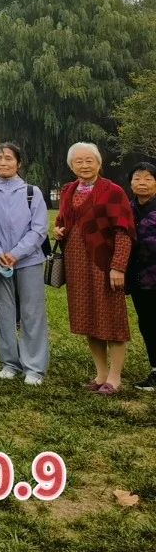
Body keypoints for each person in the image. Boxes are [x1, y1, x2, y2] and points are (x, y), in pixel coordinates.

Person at [54, 142, 134, 395]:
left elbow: (123, 232)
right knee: (88, 318)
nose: (84, 165)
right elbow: (62, 220)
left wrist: (118, 267)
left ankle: (115, 377)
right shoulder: (68, 190)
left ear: (99, 163)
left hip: (104, 264)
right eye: (78, 161)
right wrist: (58, 230)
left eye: (89, 160)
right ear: (71, 166)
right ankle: (100, 374)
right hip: (77, 264)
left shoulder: (113, 191)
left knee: (112, 319)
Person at [0, 142, 50, 386]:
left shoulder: (31, 192)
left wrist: (17, 253)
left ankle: (34, 367)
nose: (3, 163)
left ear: (18, 163)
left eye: (9, 158)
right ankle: (9, 363)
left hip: (29, 260)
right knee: (3, 312)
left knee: (32, 313)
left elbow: (39, 228)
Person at [128, 163, 156, 392]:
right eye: (137, 178)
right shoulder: (126, 209)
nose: (142, 183)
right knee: (147, 323)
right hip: (139, 278)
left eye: (148, 178)